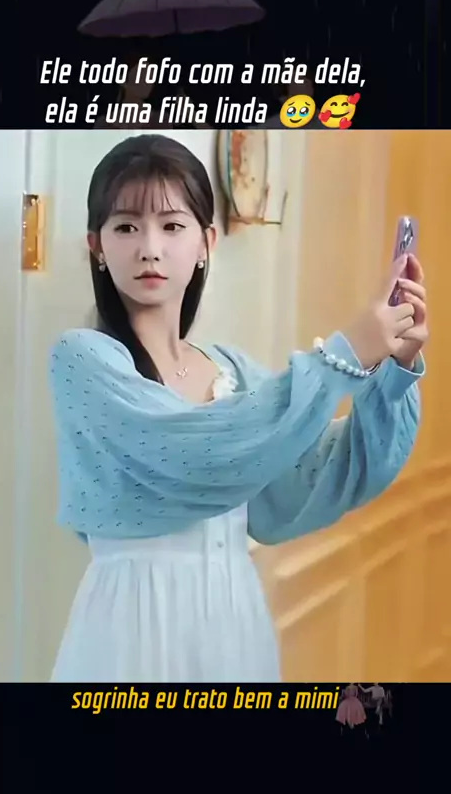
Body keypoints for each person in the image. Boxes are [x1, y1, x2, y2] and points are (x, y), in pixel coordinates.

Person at [48, 134, 427, 683]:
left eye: (171, 226)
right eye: (126, 227)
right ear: (97, 246)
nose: (150, 247)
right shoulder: (83, 359)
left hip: (234, 626)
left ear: (206, 242)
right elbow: (195, 455)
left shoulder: (232, 371)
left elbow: (322, 470)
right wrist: (344, 355)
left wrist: (393, 365)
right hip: (131, 630)